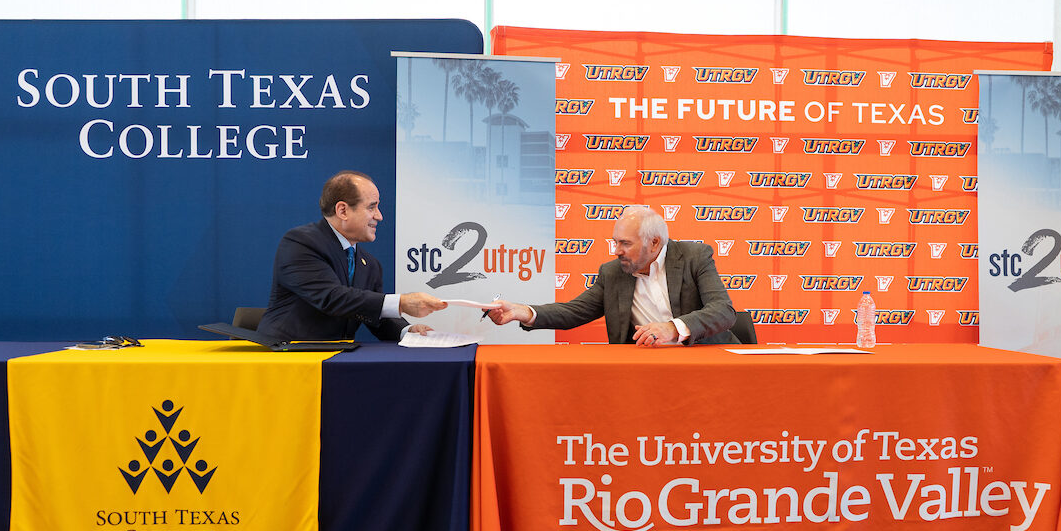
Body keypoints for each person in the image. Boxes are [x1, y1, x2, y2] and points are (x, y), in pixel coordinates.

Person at [486, 205, 739, 345]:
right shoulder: (613, 273)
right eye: (615, 242)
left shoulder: (695, 256)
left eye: (625, 244)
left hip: (704, 362)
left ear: (654, 243)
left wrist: (672, 329)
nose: (616, 251)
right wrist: (522, 311)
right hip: (643, 372)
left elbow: (723, 310)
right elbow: (573, 312)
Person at [258, 171, 445, 341]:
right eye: (372, 207)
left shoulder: (370, 265)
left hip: (335, 361)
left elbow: (373, 314)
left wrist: (408, 331)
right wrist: (402, 302)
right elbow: (332, 297)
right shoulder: (300, 243)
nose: (379, 216)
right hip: (284, 358)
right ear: (343, 211)